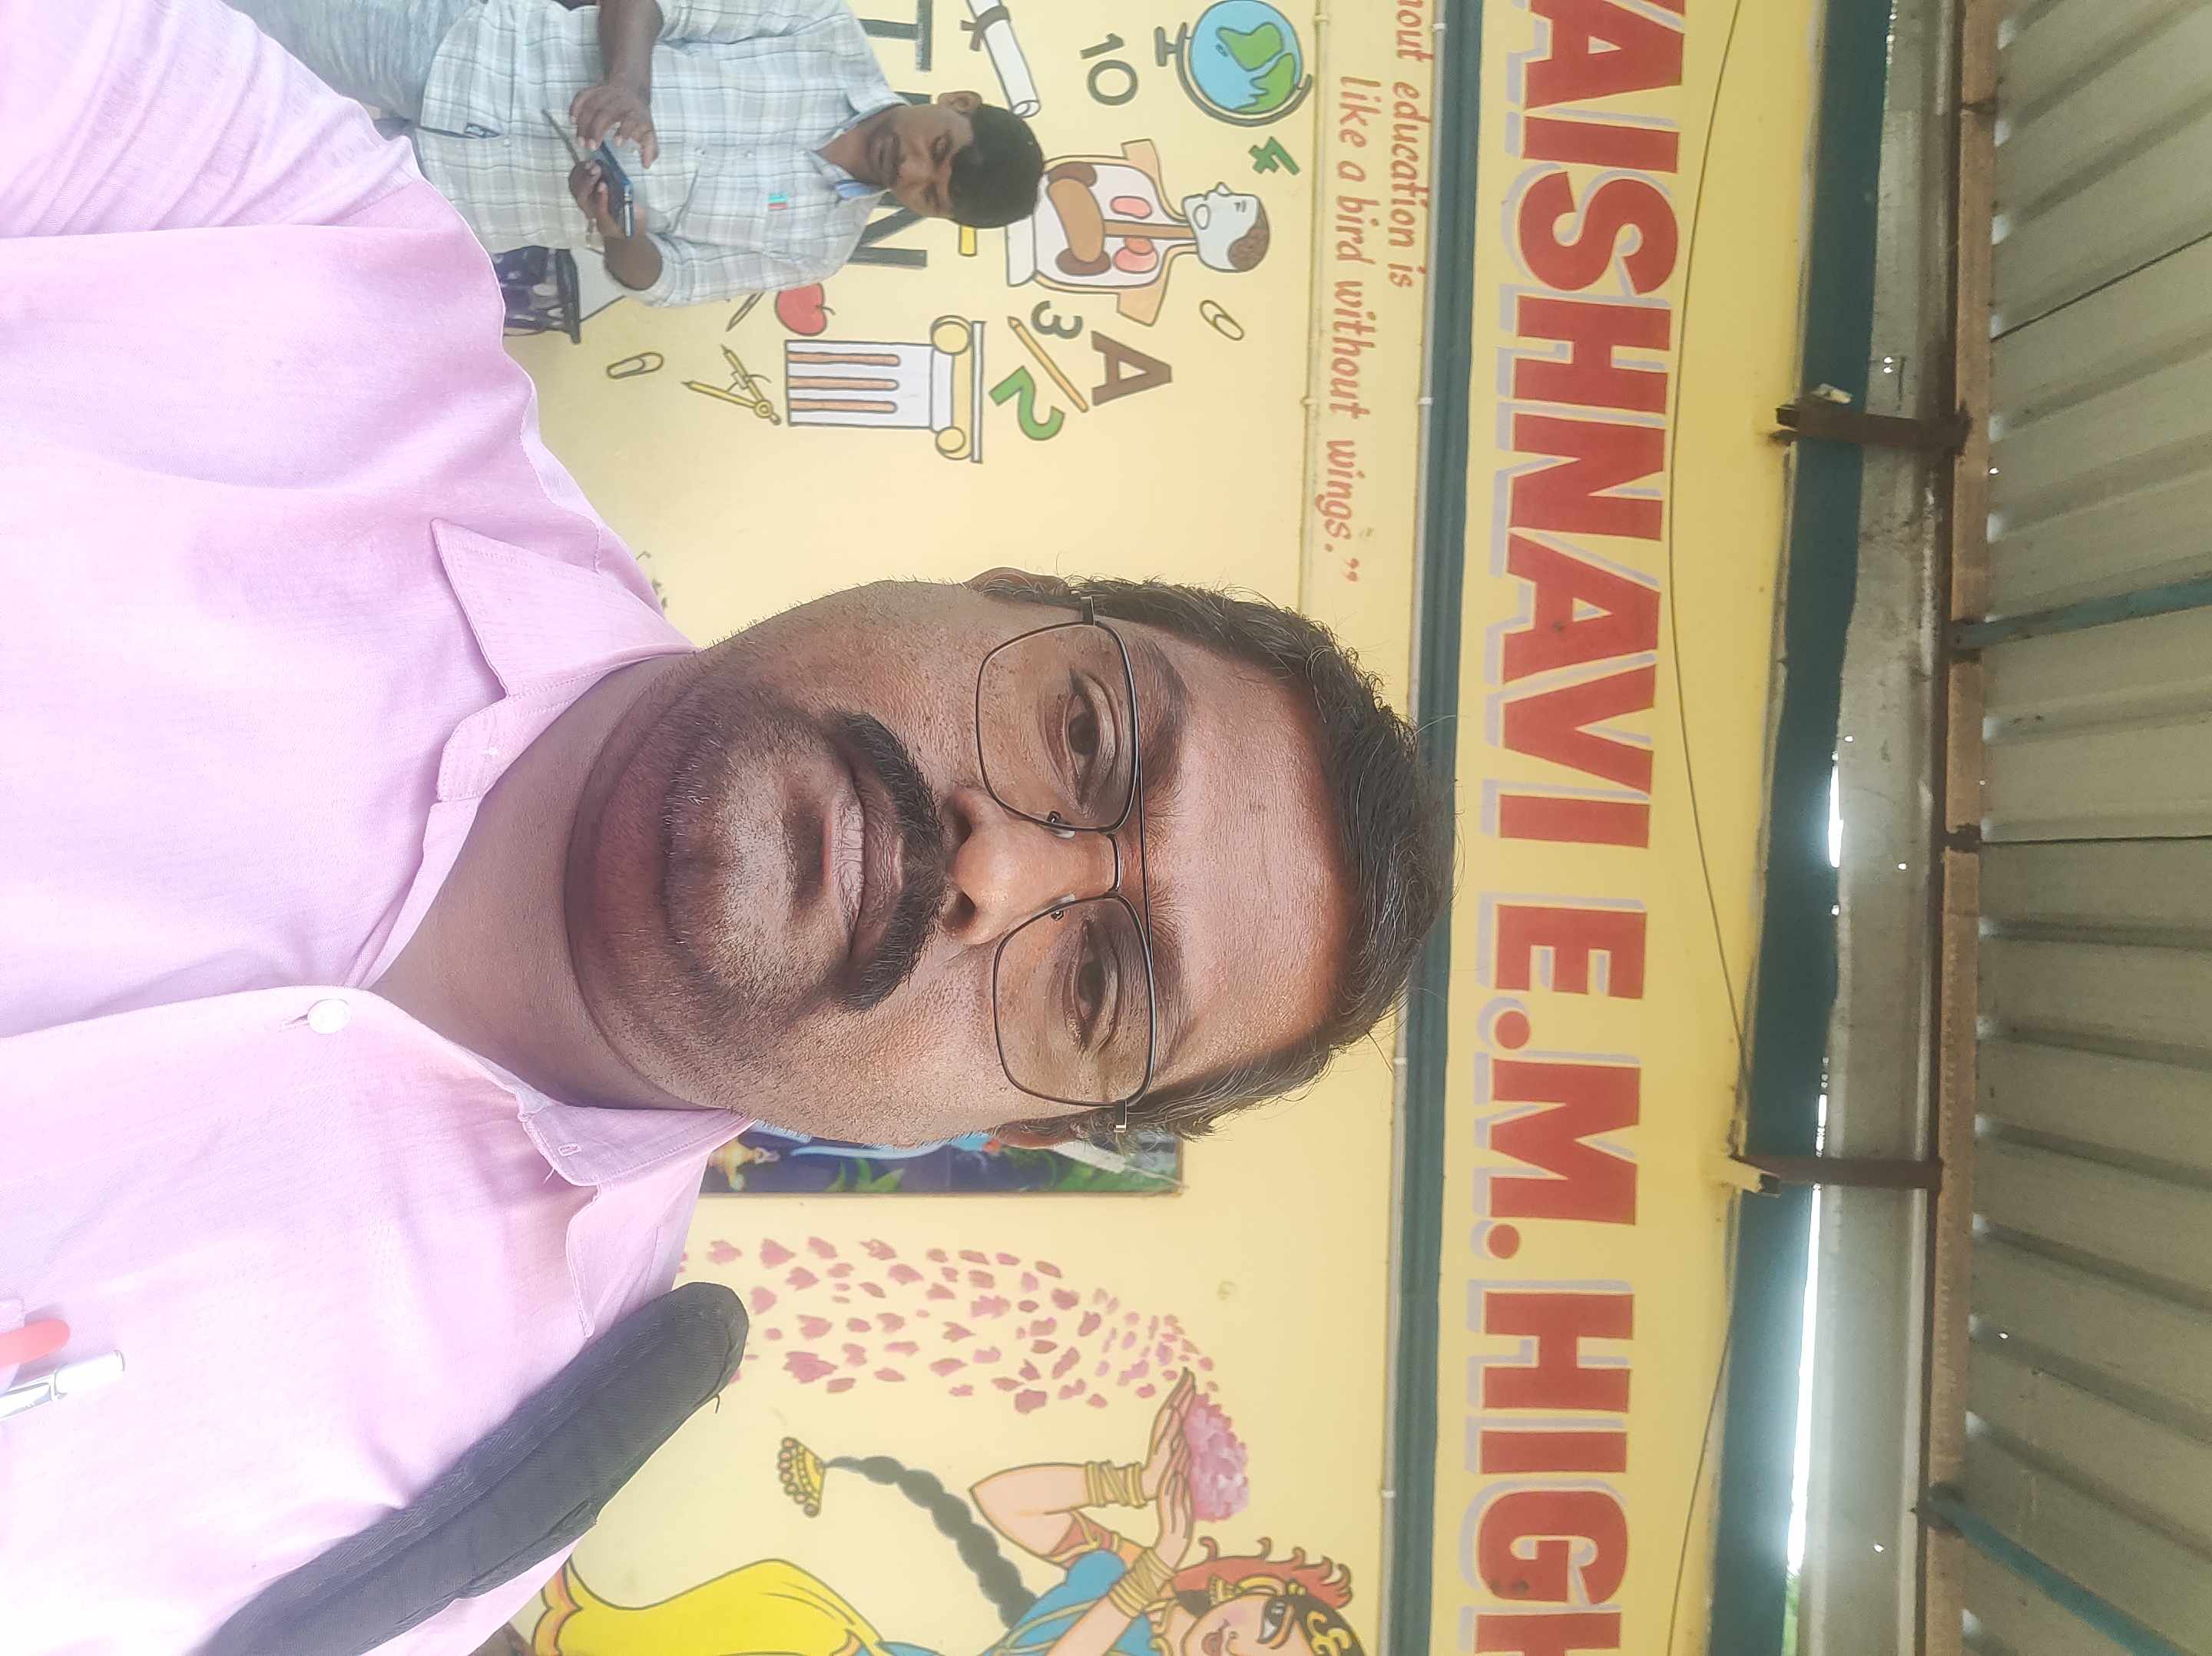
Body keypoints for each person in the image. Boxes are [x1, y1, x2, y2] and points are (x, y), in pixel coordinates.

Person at [0, 2, 1447, 1652]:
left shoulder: (452, 1518)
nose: (1000, 866)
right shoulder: (291, 256)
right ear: (1000, 590)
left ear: (1020, 1126)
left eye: (1101, 983)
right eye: (1086, 735)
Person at [225, 0, 1046, 305]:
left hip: (446, 195)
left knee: (230, 163)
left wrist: (622, 234)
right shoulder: (822, 28)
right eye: (938, 149)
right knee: (235, 24)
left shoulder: (817, 248)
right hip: (466, 52)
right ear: (957, 102)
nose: (911, 172)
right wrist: (628, 85)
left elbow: (665, 279)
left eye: (930, 193)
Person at [531, 1374, 1365, 1656]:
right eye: (1274, 1623)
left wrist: (1154, 1565)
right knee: (783, 1601)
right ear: (1255, 1591)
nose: (1248, 1642)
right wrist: (1132, 1482)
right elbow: (1005, 1500)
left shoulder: (1138, 1583)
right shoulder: (1123, 1569)